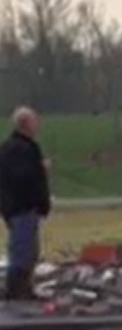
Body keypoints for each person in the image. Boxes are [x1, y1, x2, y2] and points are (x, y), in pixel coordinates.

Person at [0, 107, 51, 302]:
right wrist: (41, 168)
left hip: (20, 207)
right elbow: (22, 177)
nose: (38, 125)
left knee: (29, 250)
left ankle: (24, 288)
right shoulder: (19, 149)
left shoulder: (15, 147)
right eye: (34, 121)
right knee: (22, 250)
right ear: (26, 124)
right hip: (22, 207)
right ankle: (15, 291)